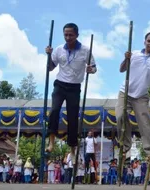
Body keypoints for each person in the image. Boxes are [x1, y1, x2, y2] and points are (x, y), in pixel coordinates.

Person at [115, 32, 150, 179]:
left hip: (141, 96)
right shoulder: (134, 53)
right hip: (125, 92)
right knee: (120, 116)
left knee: (145, 124)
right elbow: (122, 69)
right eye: (149, 41)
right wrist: (125, 59)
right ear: (144, 41)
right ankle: (125, 147)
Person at [44, 23, 97, 162]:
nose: (68, 37)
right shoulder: (59, 49)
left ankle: (72, 148)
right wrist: (48, 56)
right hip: (60, 85)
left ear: (77, 35)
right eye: (65, 35)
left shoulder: (85, 50)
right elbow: (50, 68)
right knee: (54, 110)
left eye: (71, 35)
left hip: (74, 87)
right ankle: (51, 142)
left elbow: (94, 67)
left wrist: (91, 70)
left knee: (73, 117)